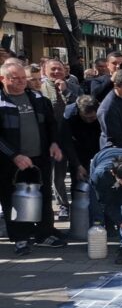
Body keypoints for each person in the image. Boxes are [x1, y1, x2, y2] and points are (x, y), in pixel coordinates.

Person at [0, 61, 67, 256]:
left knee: (44, 196)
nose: (22, 82)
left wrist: (54, 143)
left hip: (39, 157)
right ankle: (20, 238)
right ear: (3, 79)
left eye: (23, 78)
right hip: (11, 162)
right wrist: (13, 155)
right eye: (16, 79)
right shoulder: (2, 102)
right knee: (13, 198)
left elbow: (51, 124)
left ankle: (44, 233)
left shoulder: (38, 98)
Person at [42, 59, 82, 221]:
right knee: (50, 176)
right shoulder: (41, 88)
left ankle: (65, 205)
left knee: (61, 174)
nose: (57, 72)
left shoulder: (73, 87)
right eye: (53, 69)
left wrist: (66, 91)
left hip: (68, 138)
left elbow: (82, 106)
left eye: (60, 69)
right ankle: (53, 207)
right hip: (47, 139)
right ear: (45, 71)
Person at [61, 95, 101, 184]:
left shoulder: (103, 112)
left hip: (98, 147)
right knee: (79, 183)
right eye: (85, 117)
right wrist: (78, 166)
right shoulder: (69, 115)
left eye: (92, 118)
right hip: (78, 148)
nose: (88, 120)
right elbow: (67, 143)